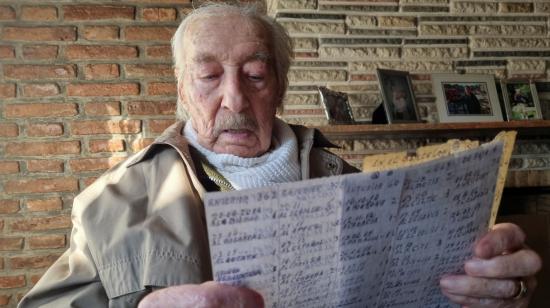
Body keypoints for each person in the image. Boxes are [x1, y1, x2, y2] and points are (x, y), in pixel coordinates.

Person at [19, 3, 541, 308]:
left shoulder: (360, 190)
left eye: (254, 74)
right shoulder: (109, 203)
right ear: (181, 89)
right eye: (208, 76)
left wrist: (493, 290)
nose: (234, 99)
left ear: (280, 85)